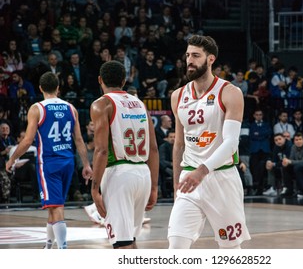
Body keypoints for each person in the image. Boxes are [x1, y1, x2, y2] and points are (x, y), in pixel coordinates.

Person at [168, 35, 251, 249]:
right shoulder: (178, 95)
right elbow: (179, 144)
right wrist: (177, 184)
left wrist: (202, 171)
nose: (189, 61)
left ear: (210, 59)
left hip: (221, 177)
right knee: (175, 247)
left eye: (196, 55)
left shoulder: (230, 92)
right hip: (189, 178)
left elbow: (231, 143)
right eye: (187, 55)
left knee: (230, 251)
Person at [5, 72, 93, 249]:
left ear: (40, 88)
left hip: (49, 163)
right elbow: (79, 140)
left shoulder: (37, 108)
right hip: (68, 161)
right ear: (58, 88)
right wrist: (86, 164)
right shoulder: (71, 108)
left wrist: (12, 158)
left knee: (57, 206)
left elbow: (28, 140)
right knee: (54, 205)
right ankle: (48, 245)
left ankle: (63, 249)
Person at [89, 60, 159, 249]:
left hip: (119, 175)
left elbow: (102, 150)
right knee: (130, 241)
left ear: (100, 80)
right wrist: (154, 186)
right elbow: (153, 149)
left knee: (122, 244)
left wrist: (94, 189)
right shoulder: (139, 104)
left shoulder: (101, 104)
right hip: (143, 173)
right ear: (123, 80)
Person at [282, 132, 303, 198]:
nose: (298, 141)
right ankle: (289, 190)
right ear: (294, 141)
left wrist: (290, 161)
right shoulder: (293, 147)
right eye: (296, 140)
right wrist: (286, 162)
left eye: (300, 139)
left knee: (297, 168)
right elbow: (291, 159)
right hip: (300, 167)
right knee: (286, 167)